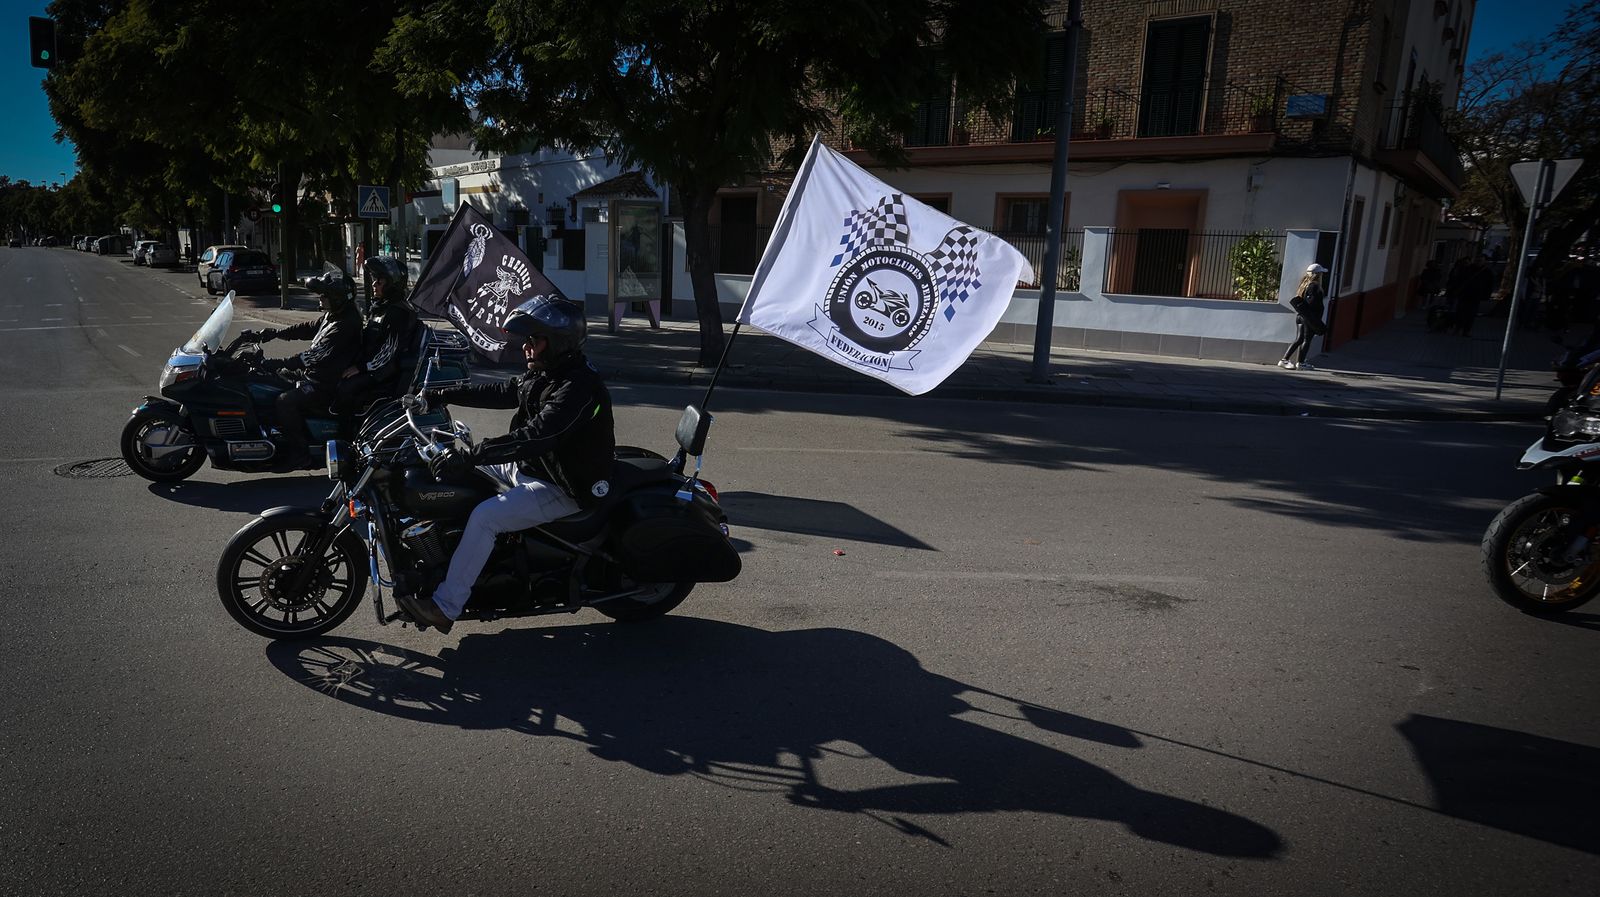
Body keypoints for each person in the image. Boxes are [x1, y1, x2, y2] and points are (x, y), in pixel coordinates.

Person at [393, 296, 616, 633]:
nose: (526, 347)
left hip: (563, 483)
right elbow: (505, 391)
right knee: (457, 480)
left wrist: (471, 454)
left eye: (533, 340)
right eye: (526, 340)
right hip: (534, 467)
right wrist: (444, 394)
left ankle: (445, 606)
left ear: (557, 342)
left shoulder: (577, 387)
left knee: (486, 517)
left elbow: (536, 436)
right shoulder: (548, 371)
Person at [240, 271, 362, 468]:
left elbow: (312, 357)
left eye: (324, 295)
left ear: (338, 298)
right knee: (267, 380)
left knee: (285, 402)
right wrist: (275, 334)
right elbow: (307, 328)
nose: (320, 297)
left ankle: (300, 454)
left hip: (325, 384)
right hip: (314, 375)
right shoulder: (333, 316)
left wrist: (275, 362)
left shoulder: (345, 325)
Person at [335, 256, 419, 411]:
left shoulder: (397, 312)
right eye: (374, 279)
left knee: (345, 388)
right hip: (371, 364)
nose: (374, 284)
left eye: (379, 281)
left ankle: (345, 433)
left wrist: (361, 367)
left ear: (391, 284)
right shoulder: (382, 306)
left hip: (384, 372)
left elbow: (389, 352)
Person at [1279, 263, 1328, 370]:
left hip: (1301, 316)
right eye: (1321, 274)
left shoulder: (1304, 285)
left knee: (1299, 339)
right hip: (1308, 317)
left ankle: (1284, 360)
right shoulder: (1314, 286)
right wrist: (1314, 316)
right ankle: (1301, 363)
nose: (1322, 276)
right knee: (1307, 339)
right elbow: (1312, 302)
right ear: (1318, 275)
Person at [1454, 254, 1495, 337]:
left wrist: (1486, 295)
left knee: (1471, 314)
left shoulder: (1487, 272)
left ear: (1484, 262)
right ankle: (1458, 328)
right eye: (1477, 260)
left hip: (1476, 296)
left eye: (1480, 260)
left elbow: (1489, 285)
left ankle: (1466, 330)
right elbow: (1459, 280)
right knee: (1461, 312)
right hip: (1465, 294)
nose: (1478, 262)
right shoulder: (1467, 269)